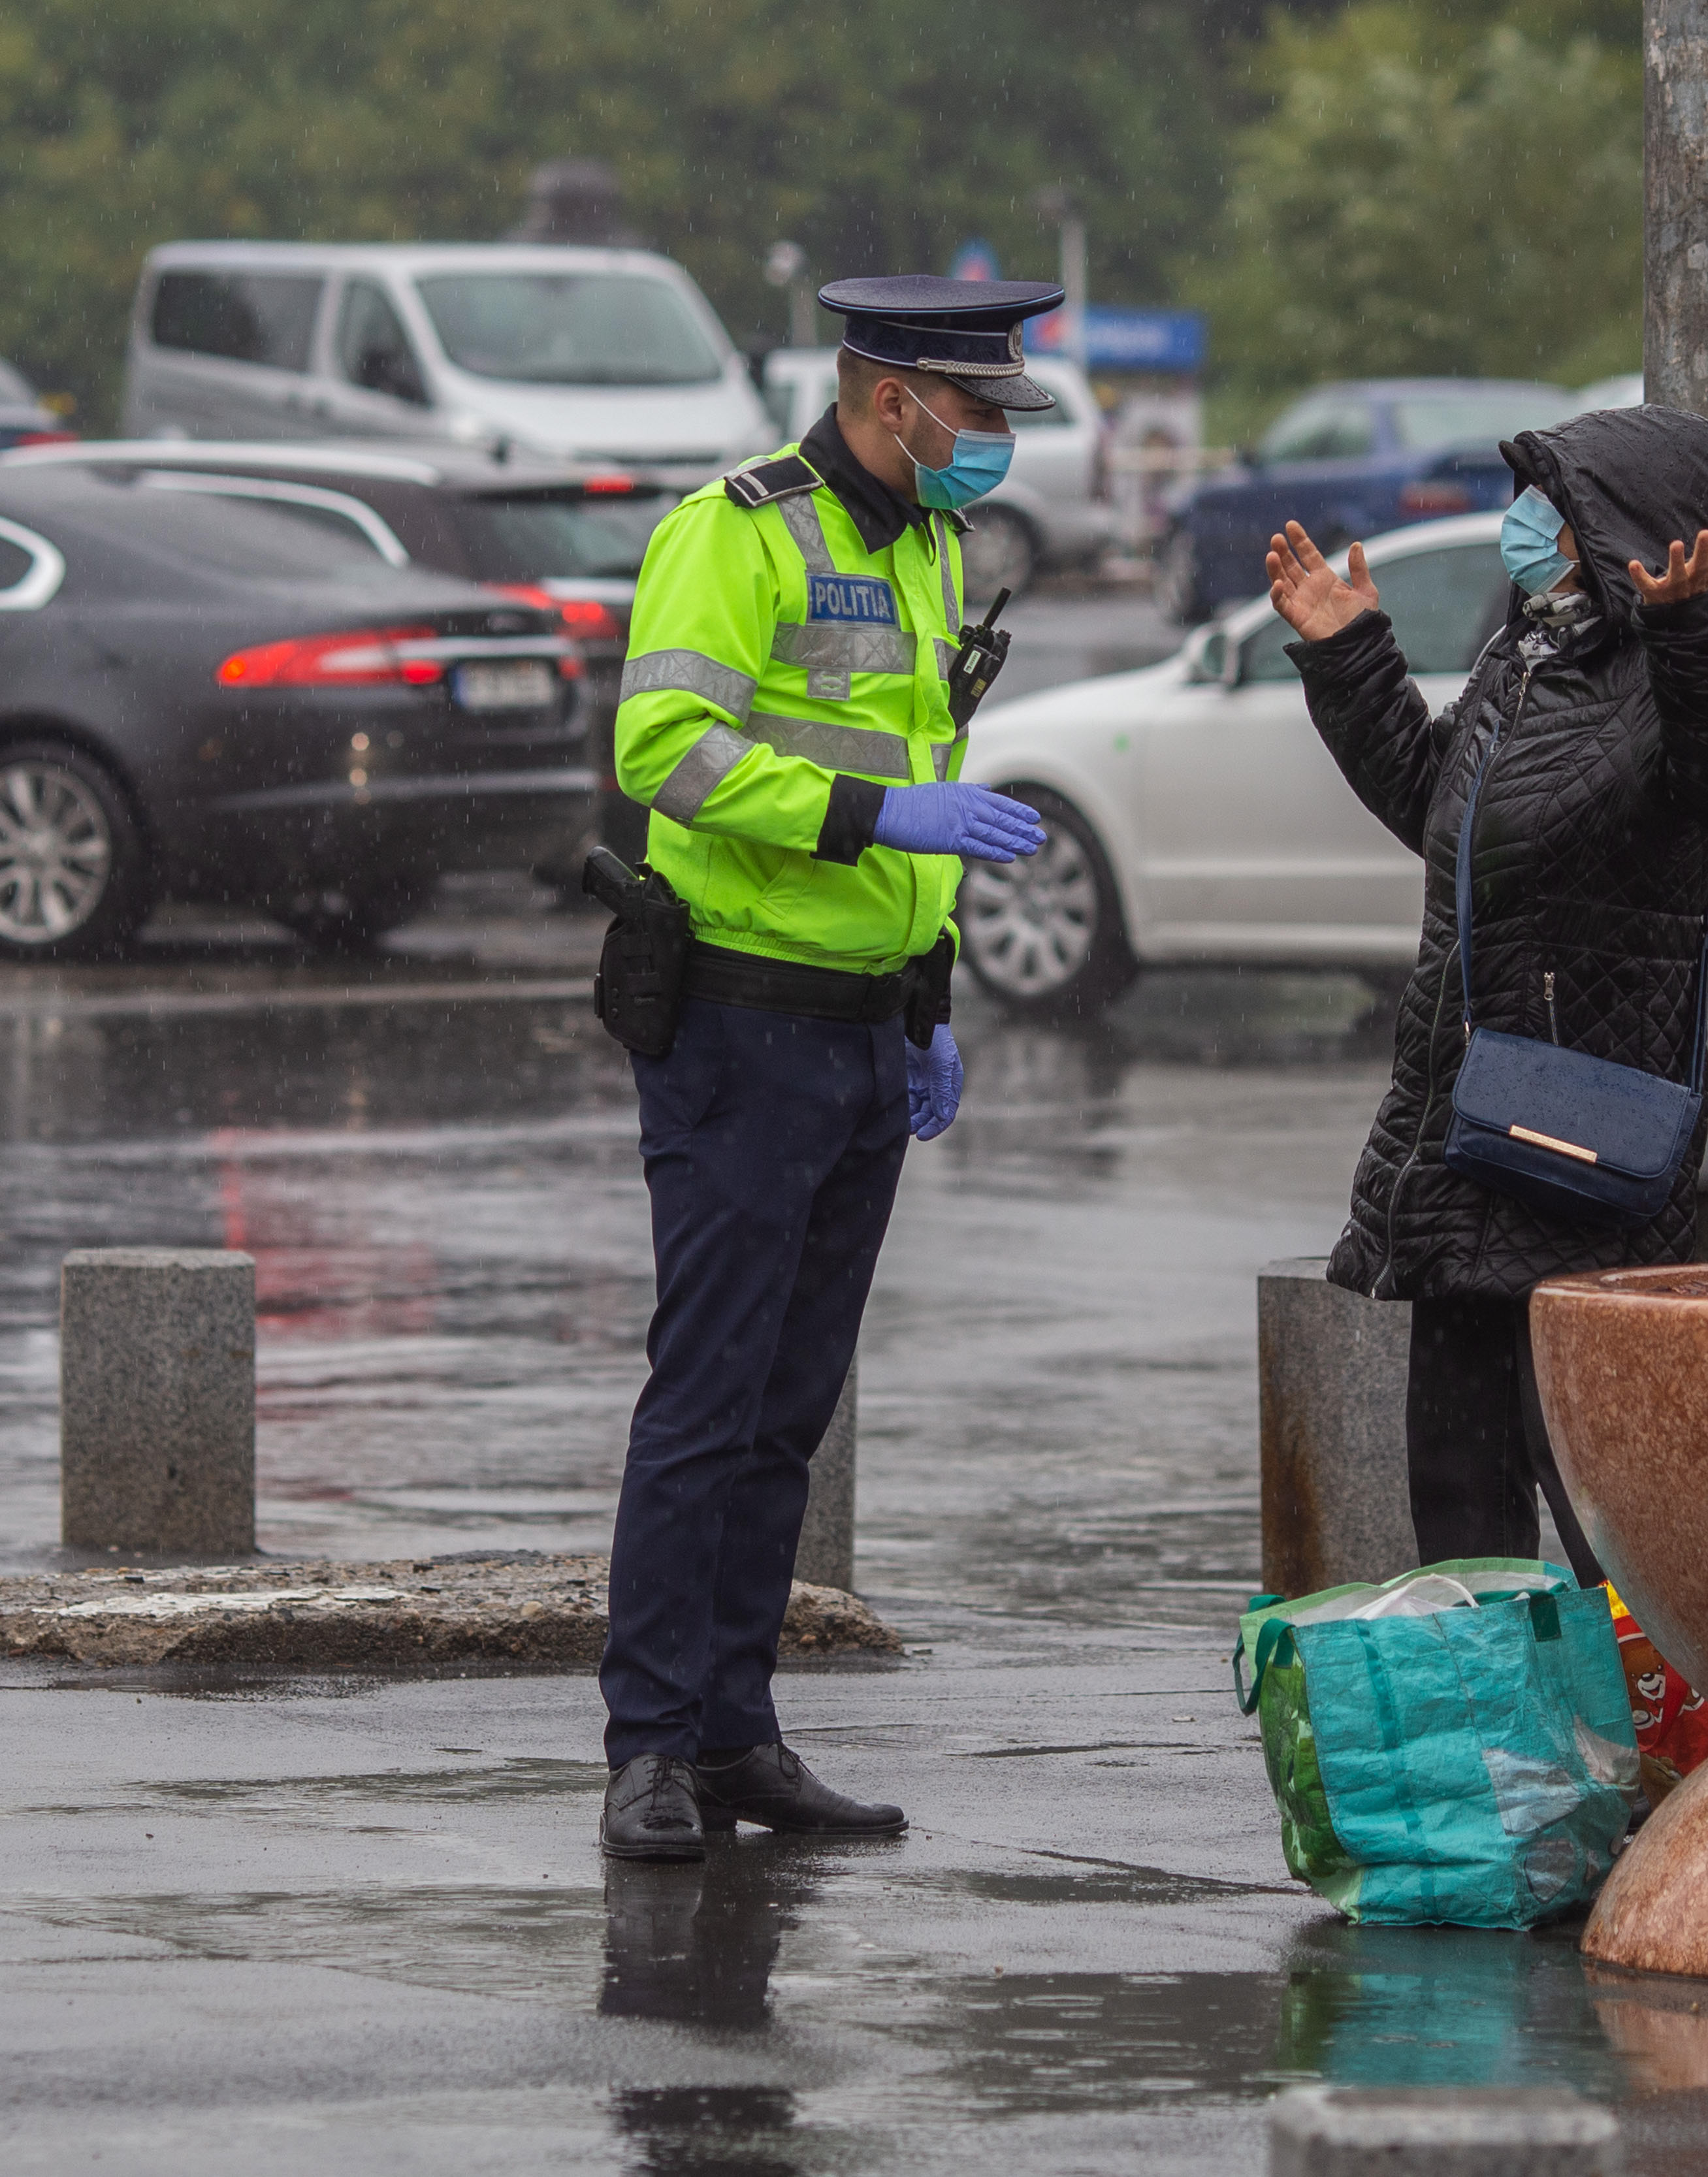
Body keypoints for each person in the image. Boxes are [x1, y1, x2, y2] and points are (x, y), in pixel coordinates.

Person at [596, 275, 1057, 1861]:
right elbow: (664, 750)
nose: (991, 441)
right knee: (707, 1400)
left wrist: (930, 998)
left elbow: (911, 760)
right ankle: (648, 1743)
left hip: (863, 1029)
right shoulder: (739, 531)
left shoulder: (925, 542)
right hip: (741, 1022)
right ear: (889, 399)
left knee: (788, 1410)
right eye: (978, 413)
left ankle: (737, 1731)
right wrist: (871, 820)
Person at [1264, 404, 1708, 1577]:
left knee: (1602, 1514)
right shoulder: (1524, 656)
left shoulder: (1669, 684)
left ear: (1617, 528)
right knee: (1459, 1504)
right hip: (1463, 1133)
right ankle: (1498, 1746)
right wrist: (1352, 658)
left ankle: (1656, 1738)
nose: (1522, 525)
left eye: (1549, 503)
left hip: (1576, 1143)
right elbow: (1440, 812)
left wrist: (1692, 631)